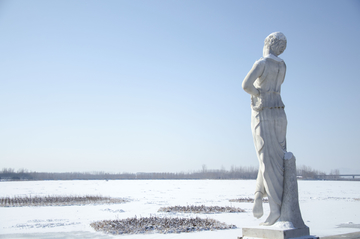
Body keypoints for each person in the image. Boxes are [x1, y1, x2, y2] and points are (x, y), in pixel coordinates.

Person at [242, 32, 288, 226]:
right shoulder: (282, 66)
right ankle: (259, 196)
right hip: (280, 114)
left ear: (269, 43)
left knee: (265, 160)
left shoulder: (261, 63)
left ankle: (275, 209)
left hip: (264, 112)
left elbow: (246, 85)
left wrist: (256, 94)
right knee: (274, 161)